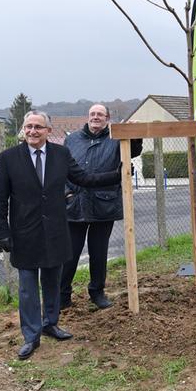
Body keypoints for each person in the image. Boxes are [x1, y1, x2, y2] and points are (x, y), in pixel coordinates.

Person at [0, 110, 121, 360]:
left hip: (55, 232)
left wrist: (117, 175)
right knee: (28, 288)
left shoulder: (61, 154)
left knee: (52, 282)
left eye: (38, 127)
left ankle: (50, 323)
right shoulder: (9, 158)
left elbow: (83, 178)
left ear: (48, 131)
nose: (32, 131)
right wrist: (2, 232)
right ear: (23, 129)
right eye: (29, 126)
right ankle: (31, 336)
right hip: (24, 234)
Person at [60, 104, 142, 310]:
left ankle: (97, 292)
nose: (96, 117)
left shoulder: (115, 138)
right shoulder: (72, 140)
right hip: (75, 205)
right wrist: (67, 194)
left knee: (99, 252)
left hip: (104, 204)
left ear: (107, 118)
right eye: (92, 114)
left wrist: (134, 133)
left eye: (100, 114)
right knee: (69, 253)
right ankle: (62, 296)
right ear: (88, 117)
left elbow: (133, 151)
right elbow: (60, 169)